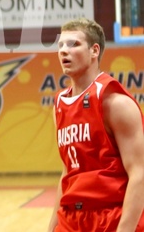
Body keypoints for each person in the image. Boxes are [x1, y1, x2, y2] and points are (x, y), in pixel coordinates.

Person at [48, 18, 144, 231]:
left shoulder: (116, 103)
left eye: (73, 44)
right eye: (60, 45)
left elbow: (139, 173)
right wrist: (52, 226)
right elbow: (67, 172)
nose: (64, 51)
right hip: (71, 219)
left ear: (94, 51)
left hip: (111, 216)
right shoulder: (60, 104)